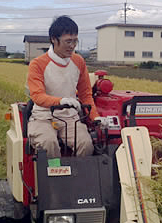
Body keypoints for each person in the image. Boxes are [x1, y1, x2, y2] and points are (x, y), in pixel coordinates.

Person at [27, 15, 107, 158]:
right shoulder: (38, 64)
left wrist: (95, 118)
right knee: (48, 143)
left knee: (86, 144)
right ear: (53, 39)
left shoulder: (78, 61)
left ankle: (78, 176)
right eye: (68, 41)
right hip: (43, 117)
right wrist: (60, 101)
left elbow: (85, 94)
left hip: (70, 117)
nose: (72, 46)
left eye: (75, 41)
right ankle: (55, 175)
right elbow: (37, 96)